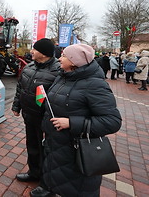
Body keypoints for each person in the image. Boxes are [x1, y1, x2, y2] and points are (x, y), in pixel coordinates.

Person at [31, 44, 122, 197]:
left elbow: (112, 121)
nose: (59, 58)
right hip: (56, 143)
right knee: (56, 175)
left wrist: (72, 123)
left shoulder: (95, 85)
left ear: (74, 61)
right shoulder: (63, 76)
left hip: (76, 149)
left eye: (64, 56)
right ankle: (50, 189)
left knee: (76, 187)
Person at [11, 38, 60, 190]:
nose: (31, 51)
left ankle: (46, 182)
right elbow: (21, 88)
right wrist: (16, 106)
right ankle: (34, 172)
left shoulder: (59, 70)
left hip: (46, 120)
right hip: (29, 116)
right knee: (32, 146)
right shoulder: (29, 67)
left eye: (35, 49)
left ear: (44, 53)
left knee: (47, 150)